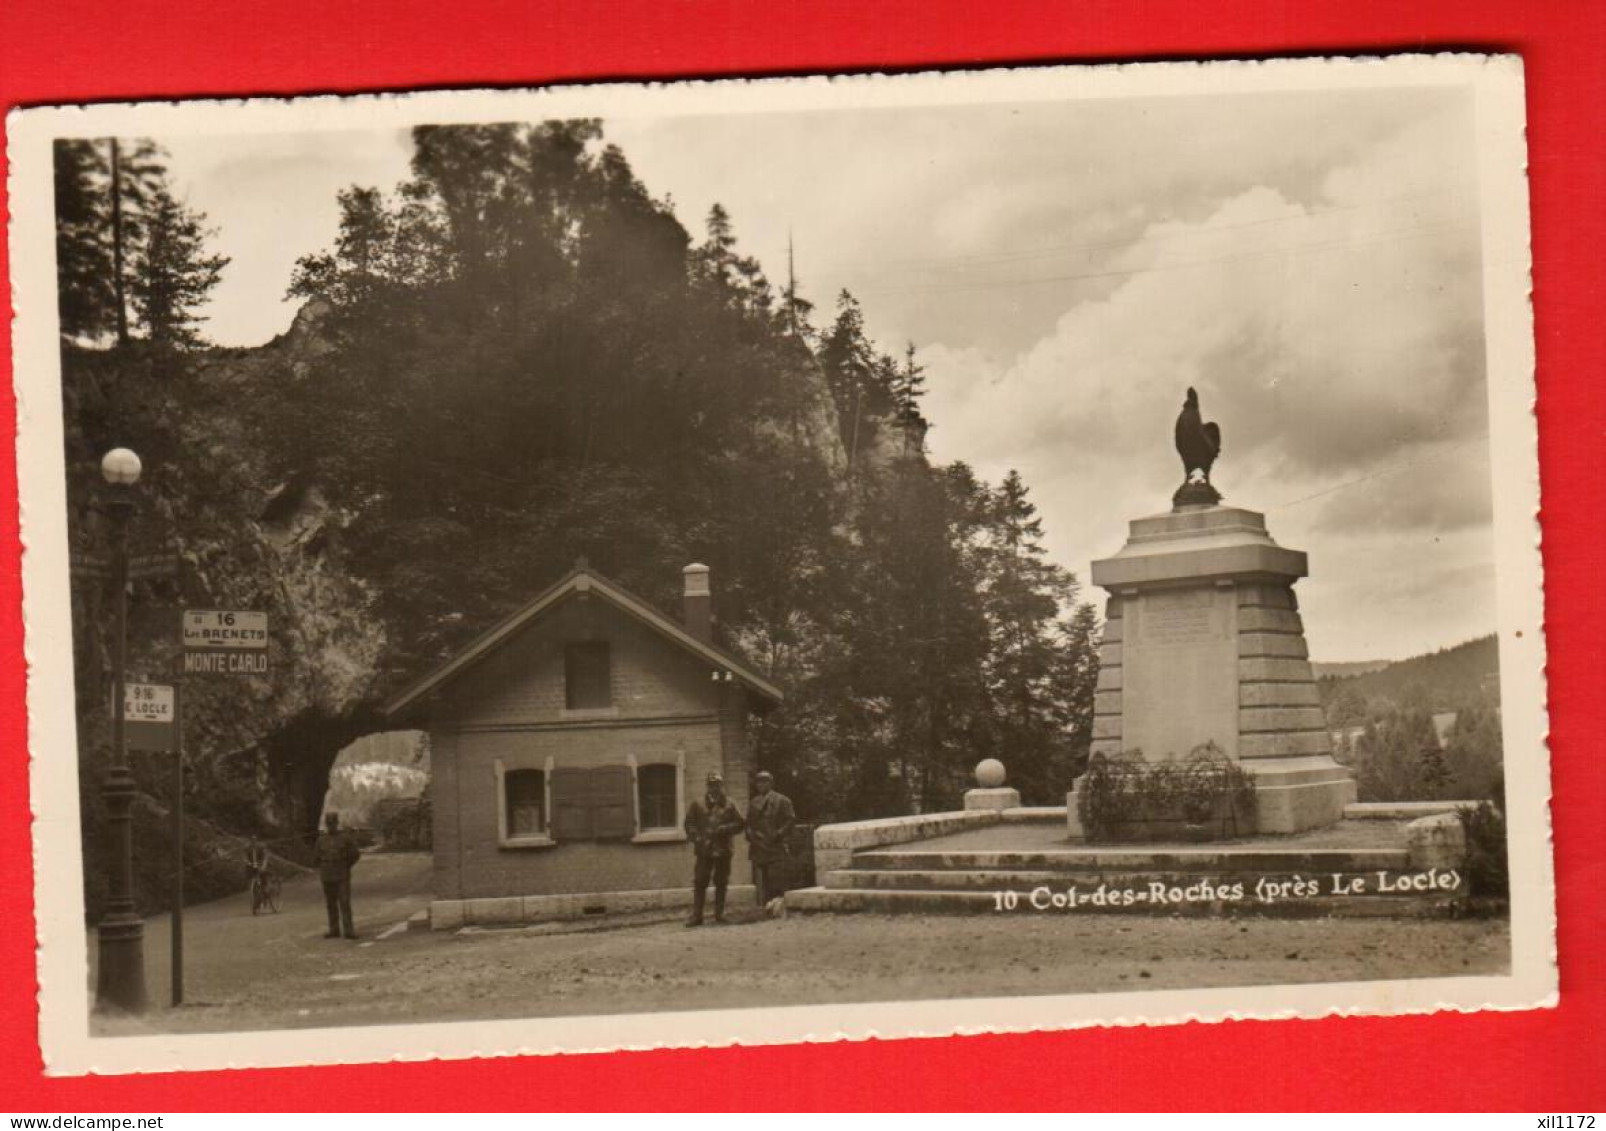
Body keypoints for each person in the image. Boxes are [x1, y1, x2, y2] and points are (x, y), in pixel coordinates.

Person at [683, 771, 744, 926]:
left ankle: (720, 914)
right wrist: (695, 837)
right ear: (707, 786)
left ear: (721, 786)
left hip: (723, 848)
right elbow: (689, 823)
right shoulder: (697, 804)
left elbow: (740, 823)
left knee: (721, 881)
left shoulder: (730, 804)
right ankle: (697, 916)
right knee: (700, 881)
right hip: (704, 849)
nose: (714, 788)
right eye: (711, 785)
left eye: (717, 785)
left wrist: (726, 828)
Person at [744, 770, 795, 908]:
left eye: (765, 781)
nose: (761, 784)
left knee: (776, 876)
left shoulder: (782, 800)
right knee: (763, 877)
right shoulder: (754, 802)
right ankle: (766, 905)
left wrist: (779, 834)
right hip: (759, 845)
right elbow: (748, 822)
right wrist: (750, 835)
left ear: (771, 783)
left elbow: (790, 820)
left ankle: (778, 905)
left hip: (775, 844)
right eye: (759, 782)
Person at [313, 811, 361, 939]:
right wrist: (323, 867)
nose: (331, 826)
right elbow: (316, 858)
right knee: (331, 904)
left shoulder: (345, 838)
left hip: (342, 875)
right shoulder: (321, 840)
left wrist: (346, 866)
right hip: (327, 875)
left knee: (344, 902)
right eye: (329, 823)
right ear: (326, 824)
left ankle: (348, 930)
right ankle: (334, 929)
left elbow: (355, 855)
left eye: (333, 823)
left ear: (337, 823)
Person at [245, 836, 270, 910]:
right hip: (252, 866)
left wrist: (264, 865)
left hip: (261, 864)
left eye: (254, 839)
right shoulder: (247, 848)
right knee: (252, 882)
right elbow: (245, 856)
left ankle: (266, 895)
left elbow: (266, 856)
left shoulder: (261, 846)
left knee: (263, 881)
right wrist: (246, 861)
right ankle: (256, 899)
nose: (253, 841)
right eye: (252, 839)